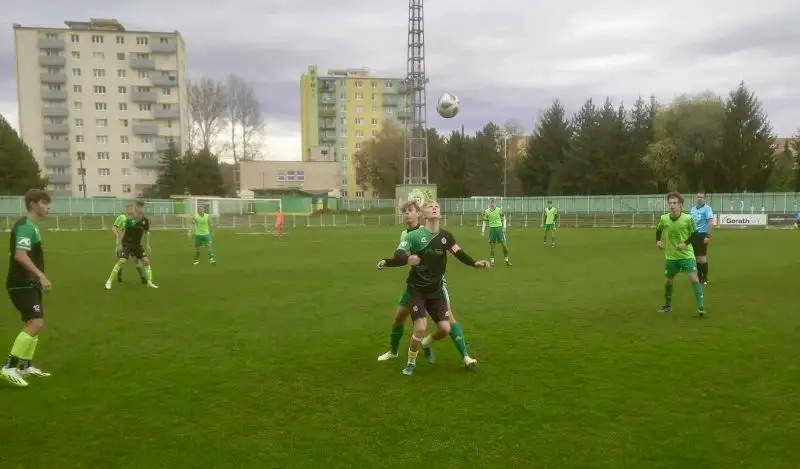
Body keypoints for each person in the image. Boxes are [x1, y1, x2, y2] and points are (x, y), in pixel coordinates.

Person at [379, 200, 490, 376]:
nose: (434, 208)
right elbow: (400, 254)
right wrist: (400, 260)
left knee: (447, 325)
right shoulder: (410, 235)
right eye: (430, 206)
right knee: (402, 318)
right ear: (424, 213)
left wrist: (475, 263)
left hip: (435, 286)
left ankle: (459, 354)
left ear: (418, 214)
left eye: (437, 206)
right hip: (415, 286)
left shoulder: (445, 236)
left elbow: (458, 252)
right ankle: (398, 354)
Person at [1, 189, 53, 387]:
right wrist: (41, 275)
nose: (48, 206)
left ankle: (25, 366)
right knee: (36, 323)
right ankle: (9, 367)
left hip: (30, 282)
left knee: (35, 323)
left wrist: (37, 278)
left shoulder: (32, 226)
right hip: (20, 282)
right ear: (32, 204)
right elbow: (20, 255)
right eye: (44, 202)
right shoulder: (25, 226)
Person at [656, 192, 705, 317]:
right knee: (669, 280)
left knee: (694, 278)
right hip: (671, 256)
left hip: (686, 255)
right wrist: (659, 241)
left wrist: (686, 243)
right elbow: (659, 229)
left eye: (675, 203)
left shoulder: (688, 219)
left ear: (680, 205)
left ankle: (700, 307)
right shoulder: (664, 218)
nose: (672, 205)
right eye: (670, 203)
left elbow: (695, 234)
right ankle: (667, 305)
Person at [105, 201, 158, 289]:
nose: (141, 209)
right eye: (139, 207)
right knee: (122, 261)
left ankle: (149, 282)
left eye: (142, 207)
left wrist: (148, 244)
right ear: (136, 208)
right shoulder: (129, 220)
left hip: (137, 245)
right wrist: (119, 244)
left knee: (146, 261)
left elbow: (146, 233)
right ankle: (109, 281)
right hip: (127, 244)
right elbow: (123, 232)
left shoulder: (145, 221)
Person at [112, 204, 145, 283]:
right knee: (121, 260)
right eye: (129, 208)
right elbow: (114, 228)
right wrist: (119, 238)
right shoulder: (121, 217)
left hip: (133, 243)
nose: (131, 210)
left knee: (136, 260)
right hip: (122, 243)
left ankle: (143, 278)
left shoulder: (135, 218)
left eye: (132, 208)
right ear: (126, 209)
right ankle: (119, 277)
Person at [689, 192, 714, 285]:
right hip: (693, 235)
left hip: (702, 235)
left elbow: (710, 222)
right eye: (698, 197)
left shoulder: (707, 209)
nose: (699, 198)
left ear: (705, 198)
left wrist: (708, 236)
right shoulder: (692, 209)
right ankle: (699, 277)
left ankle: (705, 278)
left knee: (702, 258)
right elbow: (690, 223)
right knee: (695, 258)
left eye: (701, 197)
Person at [481, 198, 511, 266]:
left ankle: (506, 261)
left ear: (495, 203)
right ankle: (492, 261)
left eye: (492, 203)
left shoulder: (499, 210)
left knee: (504, 245)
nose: (491, 204)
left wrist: (504, 227)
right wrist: (483, 231)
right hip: (492, 230)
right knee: (492, 247)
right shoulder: (486, 211)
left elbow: (504, 218)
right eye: (490, 203)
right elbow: (484, 222)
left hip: (499, 229)